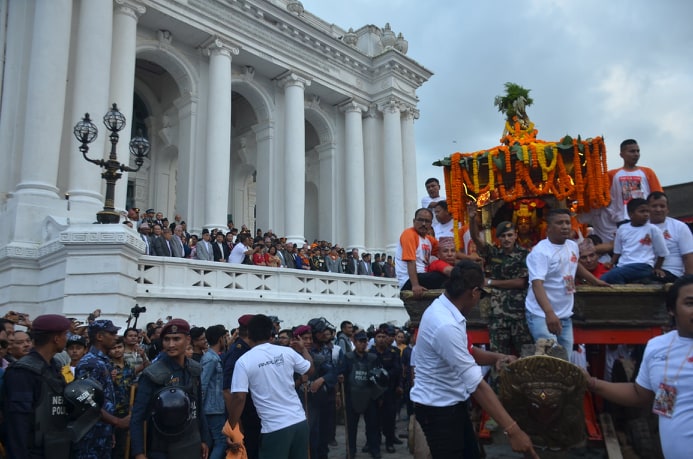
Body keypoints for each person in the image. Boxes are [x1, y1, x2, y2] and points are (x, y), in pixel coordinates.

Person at [411, 261, 537, 458]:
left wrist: (499, 357)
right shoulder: (445, 324)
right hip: (438, 410)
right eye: (482, 294)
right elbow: (477, 386)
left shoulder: (448, 310)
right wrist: (513, 430)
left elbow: (468, 352)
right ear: (474, 292)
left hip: (453, 404)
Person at [586, 275, 693, 458]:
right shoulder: (657, 346)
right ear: (671, 310)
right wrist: (592, 383)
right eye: (690, 303)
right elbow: (640, 394)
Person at [226, 314, 314, 459]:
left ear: (249, 333)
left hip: (275, 429)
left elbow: (239, 397)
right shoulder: (287, 352)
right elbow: (310, 369)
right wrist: (303, 350)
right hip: (300, 423)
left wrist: (231, 427)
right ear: (271, 332)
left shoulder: (244, 361)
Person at [525, 209, 608, 353]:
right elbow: (537, 284)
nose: (565, 226)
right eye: (559, 223)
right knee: (552, 360)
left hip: (564, 315)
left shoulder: (572, 245)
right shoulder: (540, 252)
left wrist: (595, 281)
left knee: (565, 361)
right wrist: (549, 313)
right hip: (542, 315)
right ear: (548, 228)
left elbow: (575, 265)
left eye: (567, 223)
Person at [130, 318, 210, 459]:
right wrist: (139, 453)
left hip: (191, 442)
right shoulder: (153, 374)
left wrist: (204, 438)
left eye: (176, 339)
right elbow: (137, 417)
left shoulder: (194, 369)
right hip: (162, 448)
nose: (171, 344)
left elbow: (198, 407)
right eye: (166, 339)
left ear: (188, 340)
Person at [2, 314, 73, 458]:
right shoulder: (23, 372)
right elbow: (17, 424)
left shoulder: (56, 366)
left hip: (54, 448)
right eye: (65, 334)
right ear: (56, 338)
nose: (67, 338)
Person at [468, 206, 533, 357]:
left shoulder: (525, 255)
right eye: (503, 236)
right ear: (498, 238)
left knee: (527, 356)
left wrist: (491, 282)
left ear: (516, 235)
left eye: (510, 235)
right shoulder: (494, 253)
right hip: (498, 316)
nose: (507, 239)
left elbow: (521, 282)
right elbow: (477, 239)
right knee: (499, 358)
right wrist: (472, 219)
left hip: (520, 315)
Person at [74, 319, 130, 459]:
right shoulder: (90, 362)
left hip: (103, 429)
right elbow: (86, 401)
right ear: (99, 337)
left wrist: (109, 428)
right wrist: (116, 421)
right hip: (90, 432)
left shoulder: (103, 361)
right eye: (112, 333)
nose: (116, 336)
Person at [601, 198, 669, 284]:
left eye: (647, 211)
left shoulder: (653, 229)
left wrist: (657, 268)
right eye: (642, 211)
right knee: (603, 279)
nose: (646, 215)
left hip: (643, 266)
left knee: (614, 275)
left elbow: (662, 253)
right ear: (631, 214)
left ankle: (625, 294)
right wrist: (611, 263)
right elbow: (618, 251)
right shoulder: (622, 229)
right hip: (623, 266)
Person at [222, 314, 261, 459]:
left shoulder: (247, 349)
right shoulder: (238, 352)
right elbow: (227, 390)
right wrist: (235, 422)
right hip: (244, 415)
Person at [344, 330, 381, 459]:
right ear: (354, 342)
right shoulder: (348, 357)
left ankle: (374, 449)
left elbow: (379, 377)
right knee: (351, 427)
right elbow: (342, 374)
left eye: (365, 341)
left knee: (372, 425)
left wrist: (377, 396)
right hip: (352, 396)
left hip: (369, 396)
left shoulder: (373, 358)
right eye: (360, 341)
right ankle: (351, 451)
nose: (363, 344)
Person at [395, 208, 443, 298]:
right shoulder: (409, 234)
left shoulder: (429, 239)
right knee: (441, 277)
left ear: (431, 224)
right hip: (409, 280)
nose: (423, 224)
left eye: (427, 221)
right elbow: (411, 261)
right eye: (420, 220)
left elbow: (443, 250)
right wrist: (415, 285)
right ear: (414, 221)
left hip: (424, 276)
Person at [647, 191, 693, 282]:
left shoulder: (680, 227)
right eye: (654, 206)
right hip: (645, 270)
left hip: (672, 274)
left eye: (662, 206)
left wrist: (689, 283)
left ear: (668, 209)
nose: (658, 209)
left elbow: (688, 256)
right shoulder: (639, 226)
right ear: (647, 208)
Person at [201, 325, 228, 459]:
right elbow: (203, 384)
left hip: (214, 407)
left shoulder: (213, 357)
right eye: (225, 337)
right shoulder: (211, 359)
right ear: (220, 339)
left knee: (213, 442)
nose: (227, 340)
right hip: (213, 408)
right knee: (221, 442)